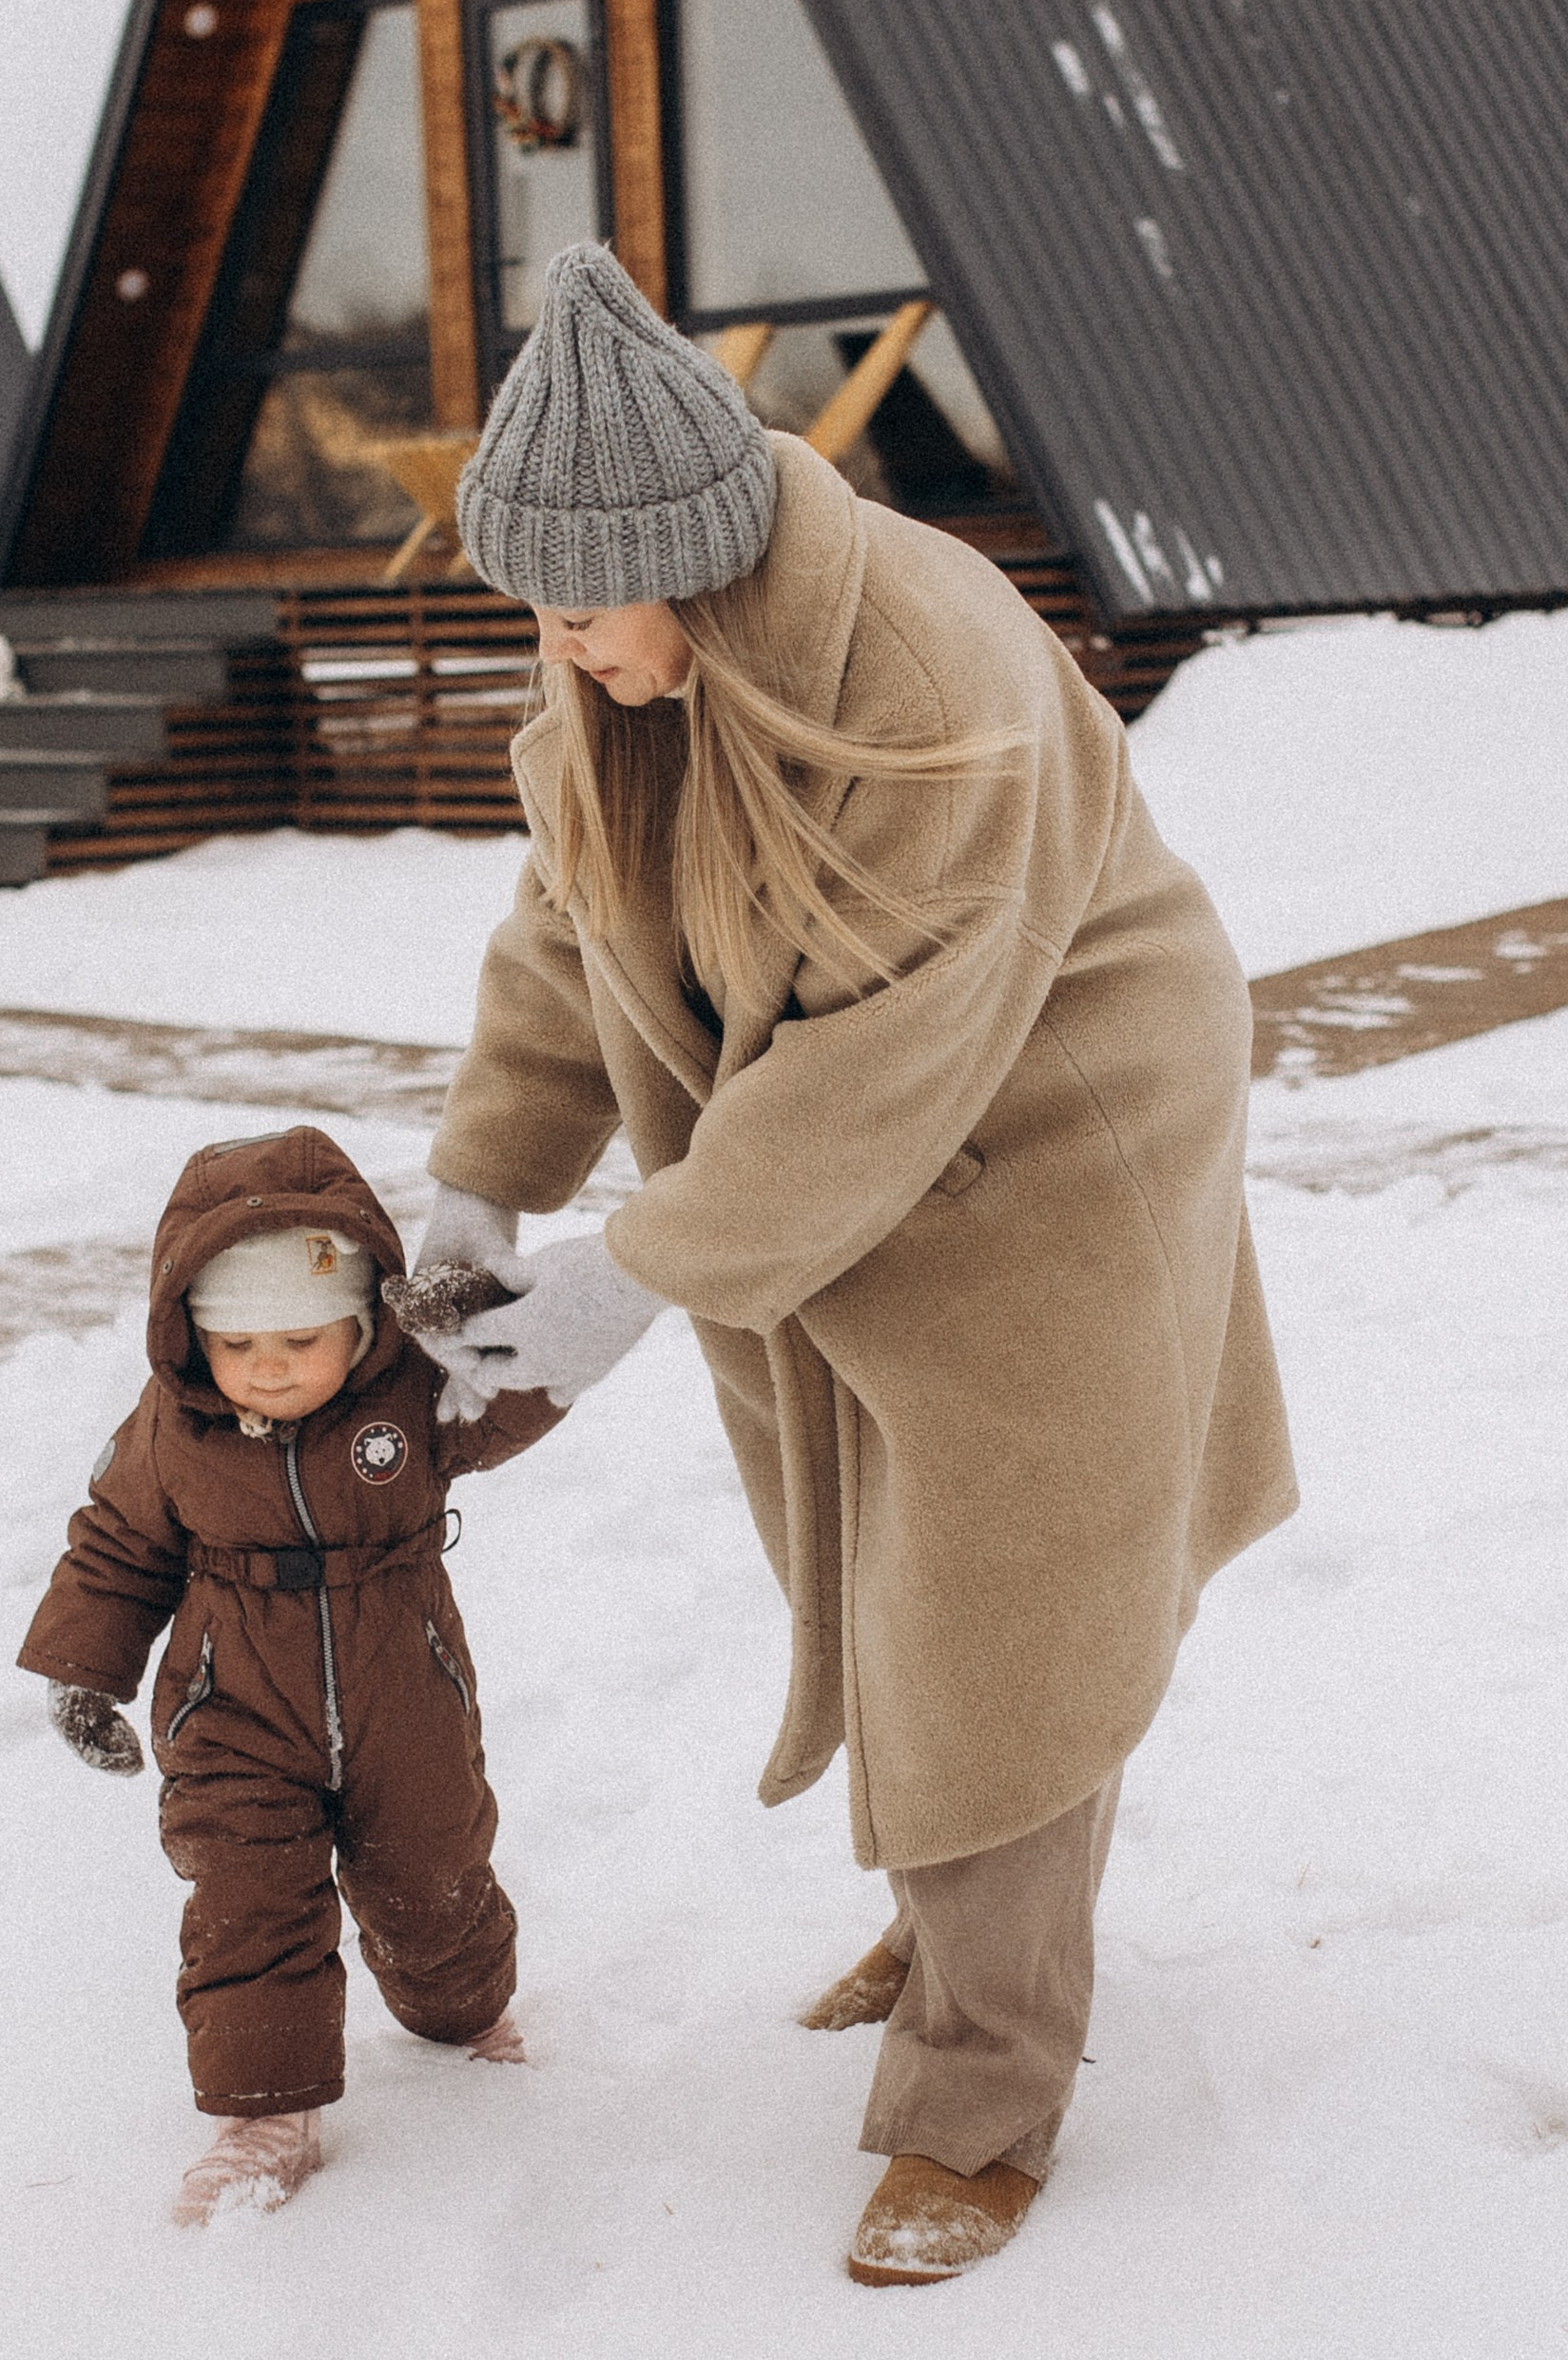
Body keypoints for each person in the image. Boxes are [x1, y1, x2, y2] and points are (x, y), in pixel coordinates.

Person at [412, 242, 1298, 2290]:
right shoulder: (621, 670)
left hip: (1052, 1133)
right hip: (815, 1158)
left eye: (577, 603)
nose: (554, 642)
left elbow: (884, 1052)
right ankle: (963, 1903)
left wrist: (634, 1274)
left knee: (995, 1592)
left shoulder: (923, 672)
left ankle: (980, 2094)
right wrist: (483, 1174)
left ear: (699, 557)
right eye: (526, 605)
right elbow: (575, 926)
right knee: (887, 1568)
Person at [18, 1124, 561, 2226]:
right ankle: (265, 2109)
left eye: (300, 1336)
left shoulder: (409, 1393)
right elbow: (116, 1546)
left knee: (432, 1870)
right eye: (234, 1340)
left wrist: (487, 1324)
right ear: (189, 1335)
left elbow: (523, 1393)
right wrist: (85, 1671)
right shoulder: (172, 1429)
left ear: (361, 1322)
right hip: (231, 1708)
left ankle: (461, 2009)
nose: (266, 1364)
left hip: (403, 1688)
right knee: (246, 1899)